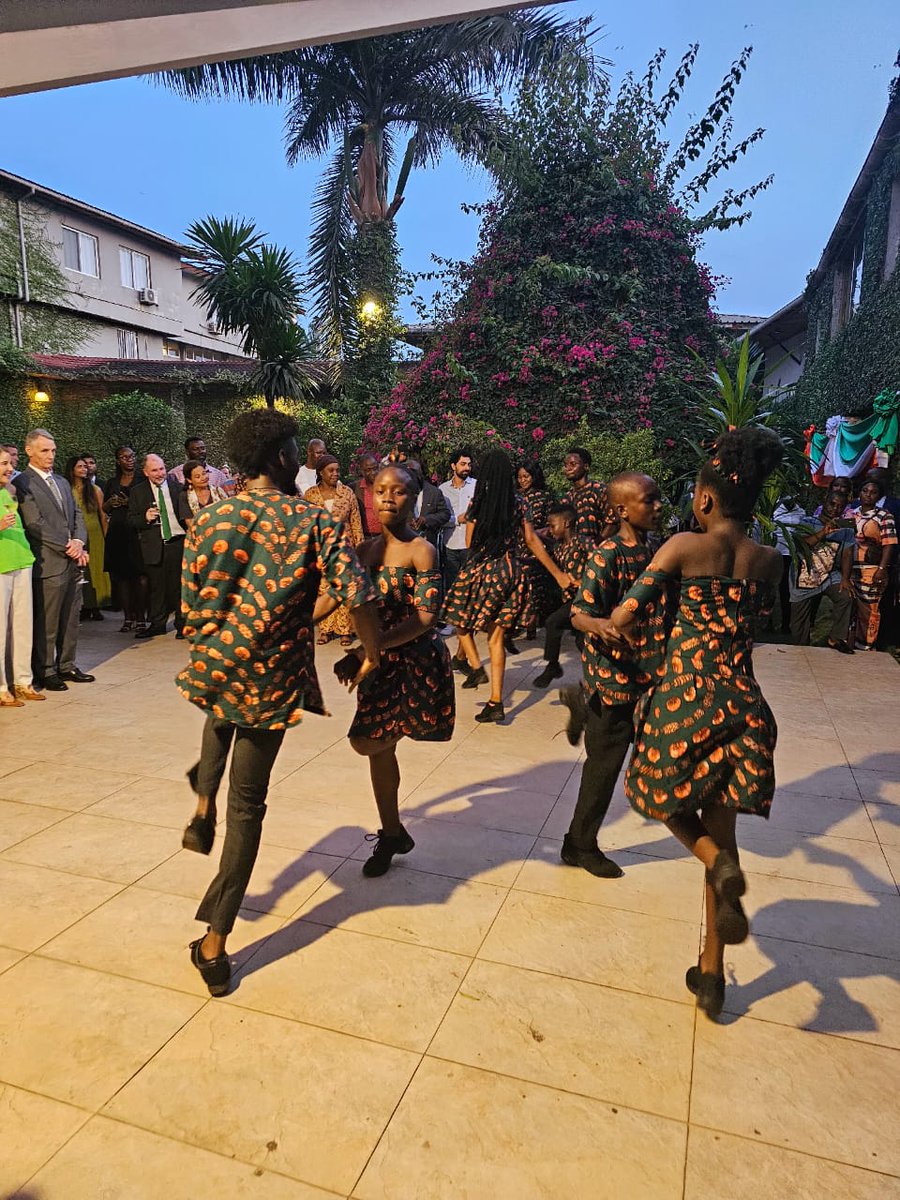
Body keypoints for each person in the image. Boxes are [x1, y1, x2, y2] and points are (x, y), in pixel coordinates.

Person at [177, 408, 379, 996]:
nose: (302, 457)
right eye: (295, 449)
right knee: (250, 808)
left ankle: (200, 802)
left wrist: (217, 641)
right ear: (280, 458)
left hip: (217, 661)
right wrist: (372, 651)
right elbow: (355, 592)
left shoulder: (210, 517)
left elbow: (190, 599)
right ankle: (213, 947)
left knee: (219, 722)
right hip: (269, 675)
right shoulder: (308, 518)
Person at [610, 427, 784, 1019]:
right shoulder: (769, 560)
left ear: (705, 500)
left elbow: (625, 613)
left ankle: (713, 860)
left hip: (687, 699)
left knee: (655, 795)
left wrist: (630, 632)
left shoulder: (685, 546)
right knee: (724, 826)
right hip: (746, 706)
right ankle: (711, 977)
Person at [336, 463, 455, 876]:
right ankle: (392, 831)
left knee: (371, 741)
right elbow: (356, 607)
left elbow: (425, 617)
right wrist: (358, 651)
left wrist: (372, 649)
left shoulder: (423, 551)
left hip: (414, 661)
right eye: (380, 489)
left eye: (399, 491)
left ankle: (391, 832)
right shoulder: (365, 551)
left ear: (413, 498)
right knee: (376, 745)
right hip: (380, 661)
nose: (388, 497)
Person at [558, 473, 666, 878]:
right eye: (648, 500)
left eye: (658, 500)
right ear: (621, 510)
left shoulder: (654, 550)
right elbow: (579, 613)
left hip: (645, 671)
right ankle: (579, 844)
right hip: (613, 675)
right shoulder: (607, 555)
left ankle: (583, 703)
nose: (658, 507)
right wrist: (602, 626)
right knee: (605, 762)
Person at [441, 449, 575, 724]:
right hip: (512, 571)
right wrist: (559, 574)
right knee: (496, 639)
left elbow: (469, 543)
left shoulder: (478, 504)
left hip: (483, 568)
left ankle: (476, 667)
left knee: (457, 617)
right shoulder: (518, 503)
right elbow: (532, 541)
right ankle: (495, 702)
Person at [14, 428, 94, 691]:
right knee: (48, 620)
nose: (50, 456)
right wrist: (66, 546)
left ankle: (67, 665)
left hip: (73, 560)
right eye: (44, 450)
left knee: (72, 616)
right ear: (29, 451)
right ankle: (46, 670)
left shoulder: (60, 481)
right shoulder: (23, 482)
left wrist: (79, 542)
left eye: (53, 450)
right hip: (48, 561)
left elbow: (77, 515)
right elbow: (34, 523)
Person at [128, 453, 190, 640]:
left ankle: (182, 625)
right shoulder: (137, 492)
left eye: (161, 469)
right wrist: (144, 518)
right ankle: (157, 624)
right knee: (156, 587)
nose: (159, 473)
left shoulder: (177, 488)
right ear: (146, 472)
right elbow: (130, 520)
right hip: (154, 544)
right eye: (154, 470)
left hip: (177, 542)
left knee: (179, 587)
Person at [304, 454, 364, 647]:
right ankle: (326, 630)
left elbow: (356, 523)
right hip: (320, 550)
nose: (335, 474)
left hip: (344, 548)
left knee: (344, 586)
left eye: (337, 470)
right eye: (331, 470)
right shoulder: (310, 495)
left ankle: (345, 631)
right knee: (323, 588)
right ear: (320, 472)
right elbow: (306, 524)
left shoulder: (347, 493)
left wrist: (360, 549)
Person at [0, 446, 43, 705]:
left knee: (23, 625)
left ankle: (23, 681)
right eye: (3, 464)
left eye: (8, 463)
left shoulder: (9, 491)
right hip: (2, 566)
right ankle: (2, 687)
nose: (8, 468)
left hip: (22, 561)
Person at [788, 490, 855, 652]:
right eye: (832, 504)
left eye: (840, 506)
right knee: (798, 622)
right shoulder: (806, 522)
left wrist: (846, 578)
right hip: (804, 576)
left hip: (829, 574)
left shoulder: (845, 530)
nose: (835, 509)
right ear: (825, 501)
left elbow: (847, 553)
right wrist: (823, 533)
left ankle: (835, 638)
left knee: (846, 596)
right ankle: (801, 648)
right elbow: (801, 545)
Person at [532, 501, 589, 688]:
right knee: (579, 639)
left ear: (566, 524)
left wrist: (583, 582)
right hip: (571, 600)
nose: (550, 529)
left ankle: (554, 666)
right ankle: (555, 665)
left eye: (552, 525)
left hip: (586, 600)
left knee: (555, 623)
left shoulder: (583, 542)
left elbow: (601, 564)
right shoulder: (558, 546)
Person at [102, 446, 147, 633]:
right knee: (121, 578)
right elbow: (104, 508)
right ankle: (128, 618)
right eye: (124, 457)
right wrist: (110, 503)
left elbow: (149, 503)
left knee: (141, 577)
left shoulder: (142, 479)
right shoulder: (112, 482)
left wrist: (130, 502)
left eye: (131, 456)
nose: (129, 459)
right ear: (117, 461)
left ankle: (141, 617)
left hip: (136, 531)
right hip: (118, 532)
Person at [850, 477, 898, 651]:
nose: (868, 495)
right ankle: (851, 641)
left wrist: (882, 568)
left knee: (869, 608)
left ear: (879, 496)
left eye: (873, 492)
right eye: (865, 491)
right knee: (852, 607)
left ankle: (867, 645)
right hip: (850, 568)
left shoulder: (885, 516)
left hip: (871, 569)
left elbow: (889, 543)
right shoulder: (851, 513)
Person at [438, 446, 477, 659]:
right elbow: (440, 517)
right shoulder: (443, 490)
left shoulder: (477, 487)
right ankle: (453, 623)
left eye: (469, 464)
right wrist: (457, 520)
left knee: (469, 586)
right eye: (463, 464)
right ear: (453, 466)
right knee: (452, 585)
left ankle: (468, 623)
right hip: (451, 542)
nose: (466, 468)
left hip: (470, 544)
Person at [514, 459, 555, 647]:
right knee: (518, 586)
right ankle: (517, 623)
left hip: (538, 546)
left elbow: (552, 524)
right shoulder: (513, 497)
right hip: (516, 547)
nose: (523, 480)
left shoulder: (544, 497)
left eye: (526, 476)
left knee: (535, 587)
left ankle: (531, 625)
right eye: (520, 477)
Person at [65, 454, 111, 620]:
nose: (84, 469)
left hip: (95, 533)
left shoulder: (95, 490)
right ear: (72, 470)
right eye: (80, 467)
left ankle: (97, 605)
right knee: (80, 569)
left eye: (85, 466)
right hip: (76, 535)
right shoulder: (66, 489)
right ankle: (83, 605)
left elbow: (103, 515)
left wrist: (106, 536)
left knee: (96, 569)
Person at [562, 446, 616, 544]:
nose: (568, 468)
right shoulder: (566, 499)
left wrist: (596, 545)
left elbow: (613, 522)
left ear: (586, 466)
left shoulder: (599, 489)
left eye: (573, 464)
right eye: (565, 465)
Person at [771, 494, 807, 635]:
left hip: (791, 556)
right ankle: (768, 622)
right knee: (771, 591)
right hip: (775, 554)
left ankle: (785, 624)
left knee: (786, 591)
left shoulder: (801, 512)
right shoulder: (773, 511)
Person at [405, 459, 452, 548]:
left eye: (414, 472)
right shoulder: (400, 492)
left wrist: (426, 519)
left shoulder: (434, 492)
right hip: (405, 544)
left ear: (420, 473)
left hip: (427, 543)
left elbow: (445, 514)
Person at [354, 452, 382, 538]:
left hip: (385, 538)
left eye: (375, 468)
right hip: (365, 538)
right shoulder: (354, 488)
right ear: (362, 471)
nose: (373, 473)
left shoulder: (386, 486)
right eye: (368, 470)